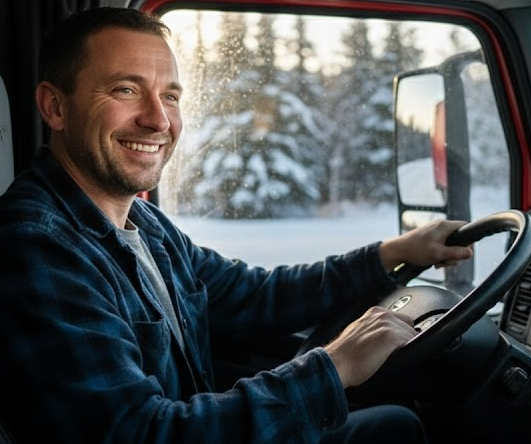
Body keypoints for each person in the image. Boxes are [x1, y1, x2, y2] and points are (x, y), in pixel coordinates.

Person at [0, 7, 473, 444]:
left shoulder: (142, 223)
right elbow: (139, 433)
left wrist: (393, 253)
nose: (158, 119)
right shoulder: (37, 245)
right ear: (55, 107)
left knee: (391, 421)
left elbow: (255, 295)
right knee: (396, 429)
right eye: (126, 90)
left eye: (170, 96)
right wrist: (333, 366)